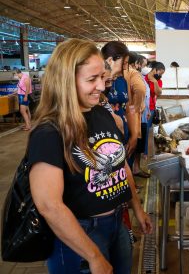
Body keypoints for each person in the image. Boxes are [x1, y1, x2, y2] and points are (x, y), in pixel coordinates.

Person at [28, 38, 152, 274]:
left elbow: (121, 164)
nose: (102, 87)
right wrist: (93, 256)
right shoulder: (49, 131)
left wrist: (136, 208)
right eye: (91, 80)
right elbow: (49, 205)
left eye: (102, 78)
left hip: (117, 222)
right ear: (66, 81)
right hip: (81, 233)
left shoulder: (100, 113)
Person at [145, 61, 165, 129]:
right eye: (160, 73)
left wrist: (155, 82)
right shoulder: (144, 78)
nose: (160, 75)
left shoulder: (159, 81)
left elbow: (158, 93)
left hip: (151, 108)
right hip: (143, 107)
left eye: (162, 74)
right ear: (155, 69)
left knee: (148, 128)